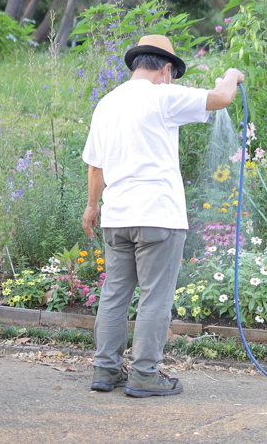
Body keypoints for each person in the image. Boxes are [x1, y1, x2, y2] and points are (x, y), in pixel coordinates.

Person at [81, 33, 244, 397]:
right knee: (155, 296)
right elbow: (221, 98)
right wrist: (232, 73)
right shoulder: (163, 95)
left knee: (114, 295)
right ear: (166, 69)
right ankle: (144, 375)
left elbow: (96, 167)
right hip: (158, 216)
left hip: (117, 216)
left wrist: (92, 206)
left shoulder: (107, 103)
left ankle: (105, 371)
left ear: (138, 64)